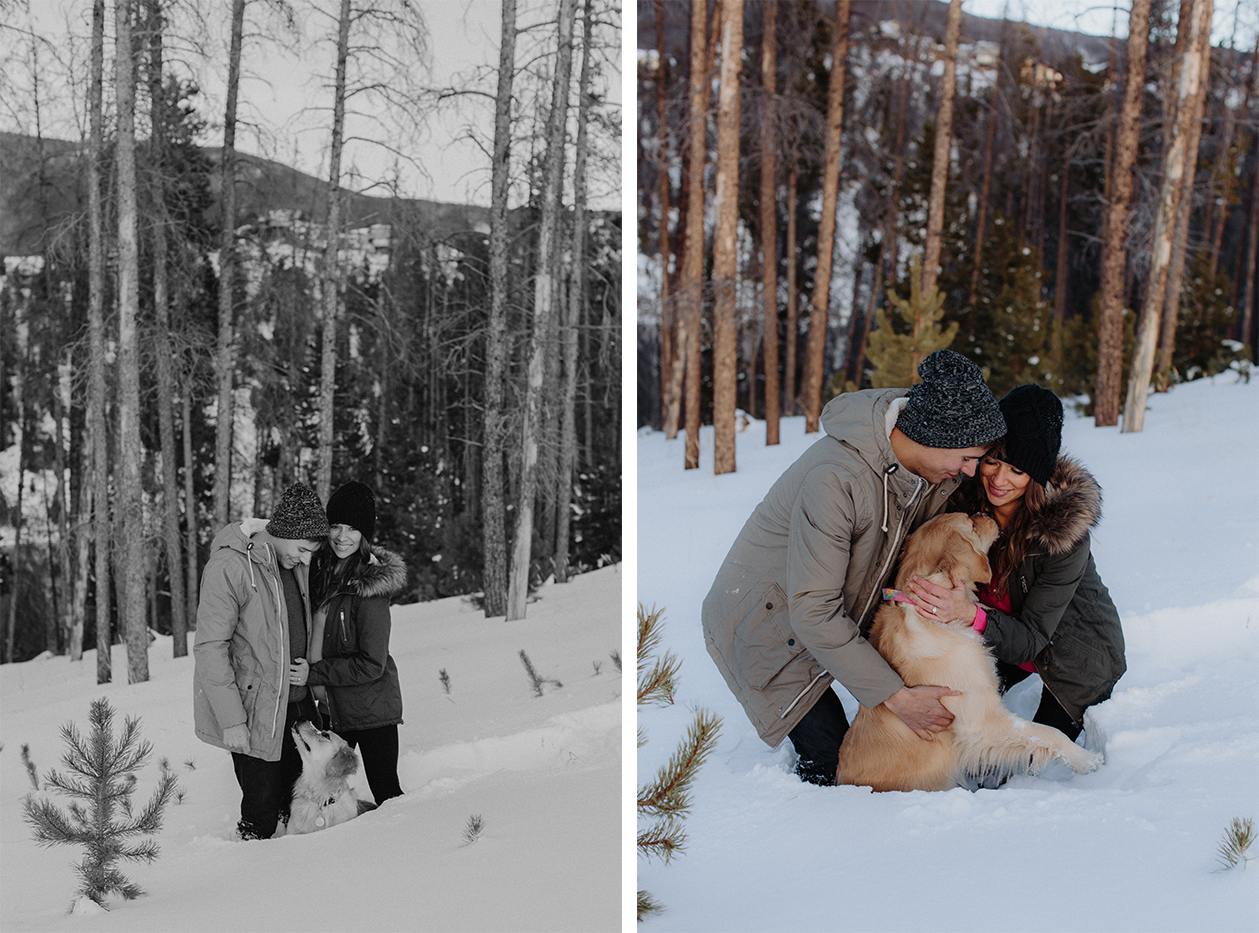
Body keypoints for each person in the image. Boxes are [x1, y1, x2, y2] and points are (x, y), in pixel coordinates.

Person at [703, 349, 1008, 785]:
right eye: (965, 458)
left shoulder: (927, 469)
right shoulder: (836, 479)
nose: (970, 471)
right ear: (931, 438)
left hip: (832, 609)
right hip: (767, 624)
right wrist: (895, 698)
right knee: (838, 771)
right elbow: (812, 611)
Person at [905, 383, 1126, 741]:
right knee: (948, 723)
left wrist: (968, 614)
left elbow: (1031, 640)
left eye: (1017, 470)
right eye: (992, 461)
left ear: (1036, 476)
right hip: (997, 639)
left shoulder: (1062, 536)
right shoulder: (963, 504)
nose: (998, 479)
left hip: (1071, 655)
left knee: (1024, 763)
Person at [193, 482, 329, 840]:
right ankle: (256, 883)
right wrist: (232, 719)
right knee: (263, 810)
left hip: (297, 705)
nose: (305, 559)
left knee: (307, 801)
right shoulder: (230, 566)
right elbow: (210, 646)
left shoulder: (291, 561)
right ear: (283, 532)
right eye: (302, 549)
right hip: (255, 711)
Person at [289, 480, 407, 805]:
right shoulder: (318, 571)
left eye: (353, 528)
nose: (342, 537)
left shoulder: (370, 588)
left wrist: (313, 674)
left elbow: (372, 663)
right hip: (329, 708)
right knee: (323, 794)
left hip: (370, 710)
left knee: (388, 795)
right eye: (336, 526)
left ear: (365, 534)